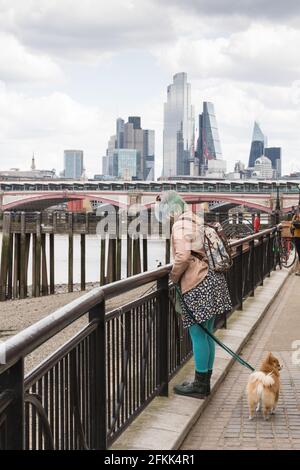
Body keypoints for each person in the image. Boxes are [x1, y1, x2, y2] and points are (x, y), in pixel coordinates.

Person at [157, 191, 232, 399]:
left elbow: (182, 257)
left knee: (197, 334)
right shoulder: (196, 219)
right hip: (213, 279)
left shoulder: (180, 225)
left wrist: (173, 277)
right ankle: (205, 379)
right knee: (207, 332)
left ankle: (200, 385)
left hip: (198, 282)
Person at [291, 207, 300, 276]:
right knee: (299, 252)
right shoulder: (295, 216)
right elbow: (292, 225)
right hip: (297, 236)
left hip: (297, 236)